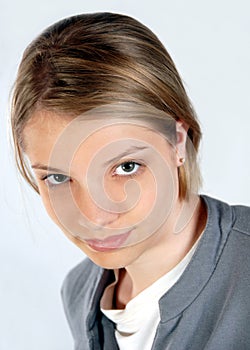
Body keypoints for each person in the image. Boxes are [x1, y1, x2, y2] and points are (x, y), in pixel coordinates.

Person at [11, 12, 250, 350]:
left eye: (125, 167)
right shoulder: (79, 292)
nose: (94, 217)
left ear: (177, 141)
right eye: (59, 177)